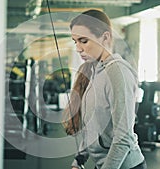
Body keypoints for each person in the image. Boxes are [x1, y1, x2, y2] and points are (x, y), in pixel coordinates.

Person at [62, 9, 146, 169]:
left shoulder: (117, 73)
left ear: (105, 37)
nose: (78, 48)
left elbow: (124, 138)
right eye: (75, 41)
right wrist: (78, 160)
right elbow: (92, 127)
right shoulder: (92, 70)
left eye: (84, 41)